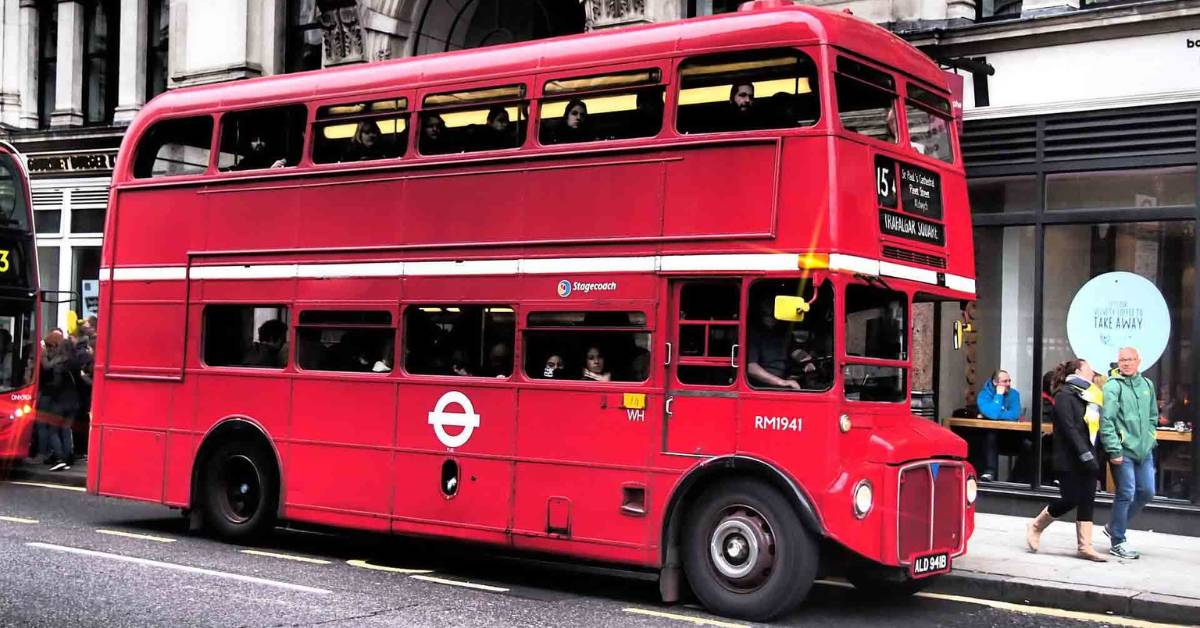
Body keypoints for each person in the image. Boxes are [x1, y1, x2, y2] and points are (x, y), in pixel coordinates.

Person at [1025, 358, 1108, 562]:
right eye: (1089, 368)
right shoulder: (1064, 395)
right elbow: (1069, 429)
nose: (1093, 372)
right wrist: (1084, 453)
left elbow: (1094, 427)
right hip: (1069, 458)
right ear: (1078, 371)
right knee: (1071, 498)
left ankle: (1085, 546)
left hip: (1089, 455)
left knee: (1088, 498)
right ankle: (1036, 525)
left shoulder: (1089, 396)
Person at [1100, 347, 1158, 559]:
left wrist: (1151, 437)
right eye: (1122, 360)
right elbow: (1107, 421)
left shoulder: (1147, 385)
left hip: (1144, 450)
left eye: (1130, 359)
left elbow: (1153, 415)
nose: (1126, 363)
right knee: (1126, 493)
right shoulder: (1113, 386)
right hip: (1123, 451)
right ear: (1118, 362)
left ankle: (1113, 525)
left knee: (1147, 492)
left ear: (1138, 361)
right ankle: (1118, 540)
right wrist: (1114, 449)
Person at [36, 330, 80, 472]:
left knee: (52, 430)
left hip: (60, 401)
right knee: (66, 429)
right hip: (74, 401)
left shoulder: (59, 363)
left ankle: (60, 458)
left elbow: (56, 382)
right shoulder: (74, 361)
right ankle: (68, 458)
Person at [747, 296, 806, 390]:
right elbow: (752, 368)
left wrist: (807, 361)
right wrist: (782, 382)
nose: (771, 317)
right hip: (762, 387)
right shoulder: (753, 335)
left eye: (773, 314)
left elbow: (796, 351)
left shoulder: (782, 332)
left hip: (784, 379)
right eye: (766, 314)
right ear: (760, 314)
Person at [976, 369, 1021, 482]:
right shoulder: (984, 395)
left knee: (1028, 443)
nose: (1008, 384)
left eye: (1009, 381)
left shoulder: (1014, 394)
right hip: (991, 435)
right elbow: (992, 413)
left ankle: (1019, 480)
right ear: (995, 383)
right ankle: (990, 472)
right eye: (1005, 381)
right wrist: (999, 395)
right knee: (990, 435)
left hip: (1010, 434)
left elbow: (1014, 415)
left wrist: (996, 414)